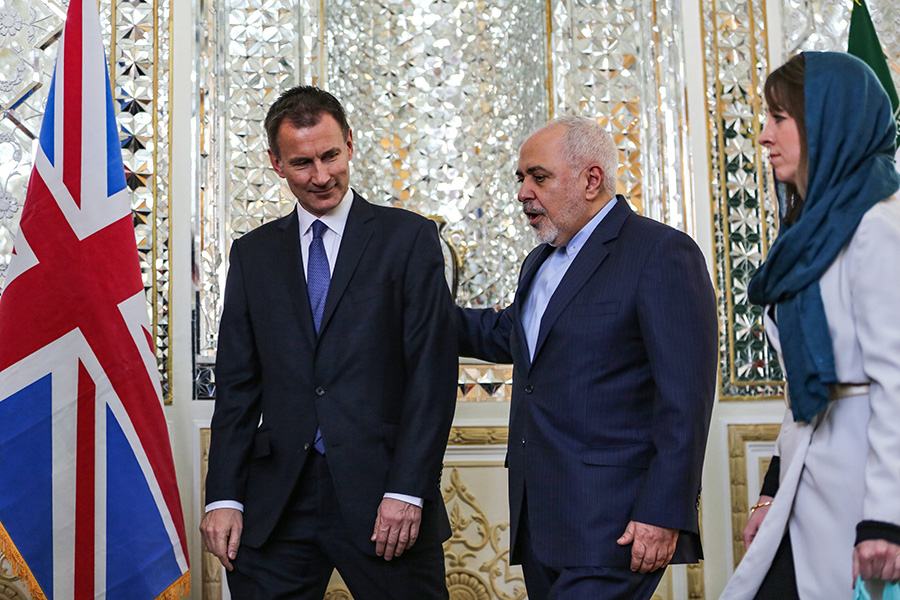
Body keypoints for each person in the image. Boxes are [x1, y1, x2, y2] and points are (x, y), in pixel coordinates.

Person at [199, 86, 457, 599]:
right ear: (275, 163)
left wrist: (407, 489)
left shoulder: (409, 240)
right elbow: (237, 387)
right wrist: (223, 496)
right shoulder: (253, 255)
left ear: (350, 145)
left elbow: (431, 375)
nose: (321, 176)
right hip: (276, 503)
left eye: (331, 155)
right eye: (302, 163)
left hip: (386, 496)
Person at [456, 115, 718, 599]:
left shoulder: (661, 252)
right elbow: (511, 335)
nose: (523, 193)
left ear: (591, 179)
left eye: (539, 176)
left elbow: (686, 399)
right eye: (521, 178)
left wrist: (664, 511)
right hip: (542, 523)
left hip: (614, 523)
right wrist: (412, 308)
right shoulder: (540, 259)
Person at [721, 51, 900, 599]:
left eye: (780, 117)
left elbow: (896, 382)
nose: (764, 135)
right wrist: (774, 490)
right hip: (808, 476)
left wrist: (885, 518)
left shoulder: (877, 226)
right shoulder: (809, 232)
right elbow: (804, 381)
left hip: (862, 491)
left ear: (826, 121)